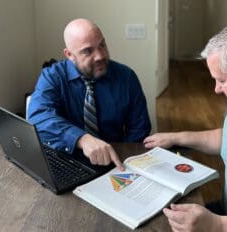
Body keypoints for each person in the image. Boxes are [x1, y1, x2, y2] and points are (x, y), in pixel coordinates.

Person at [144, 23, 227, 231]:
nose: (216, 89)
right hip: (225, 214)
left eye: (222, 80)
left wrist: (220, 225)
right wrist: (178, 137)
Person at [28, 18, 151, 171]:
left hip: (116, 162)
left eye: (102, 45)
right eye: (87, 51)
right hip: (67, 160)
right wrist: (81, 139)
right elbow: (37, 117)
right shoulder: (53, 76)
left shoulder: (126, 77)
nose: (99, 56)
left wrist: (125, 163)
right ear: (69, 54)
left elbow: (139, 130)